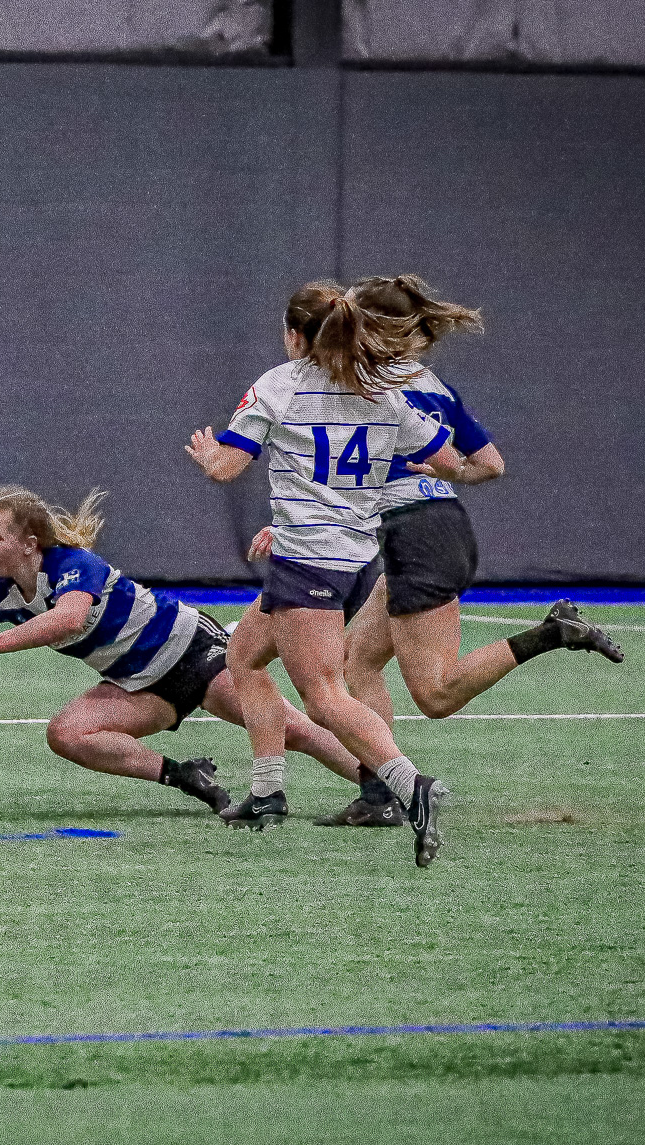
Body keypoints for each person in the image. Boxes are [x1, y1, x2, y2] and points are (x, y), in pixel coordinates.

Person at [186, 281, 478, 867]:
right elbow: (455, 462)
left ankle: (410, 785)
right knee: (243, 654)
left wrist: (204, 454)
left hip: (307, 560)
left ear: (296, 335)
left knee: (324, 693)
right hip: (353, 555)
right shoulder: (384, 392)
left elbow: (226, 466)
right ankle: (267, 792)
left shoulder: (279, 386)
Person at [0, 485, 371, 816]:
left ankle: (381, 787)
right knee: (67, 734)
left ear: (30, 542)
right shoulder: (3, 592)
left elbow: (71, 617)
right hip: (139, 683)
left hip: (191, 650)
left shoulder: (72, 562)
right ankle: (185, 776)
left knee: (293, 728)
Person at [317, 274, 624, 827]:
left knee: (435, 694)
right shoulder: (435, 387)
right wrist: (450, 468)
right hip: (436, 526)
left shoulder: (365, 384)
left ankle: (551, 633)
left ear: (369, 329)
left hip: (420, 537)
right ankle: (378, 794)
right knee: (354, 659)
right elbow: (491, 465)